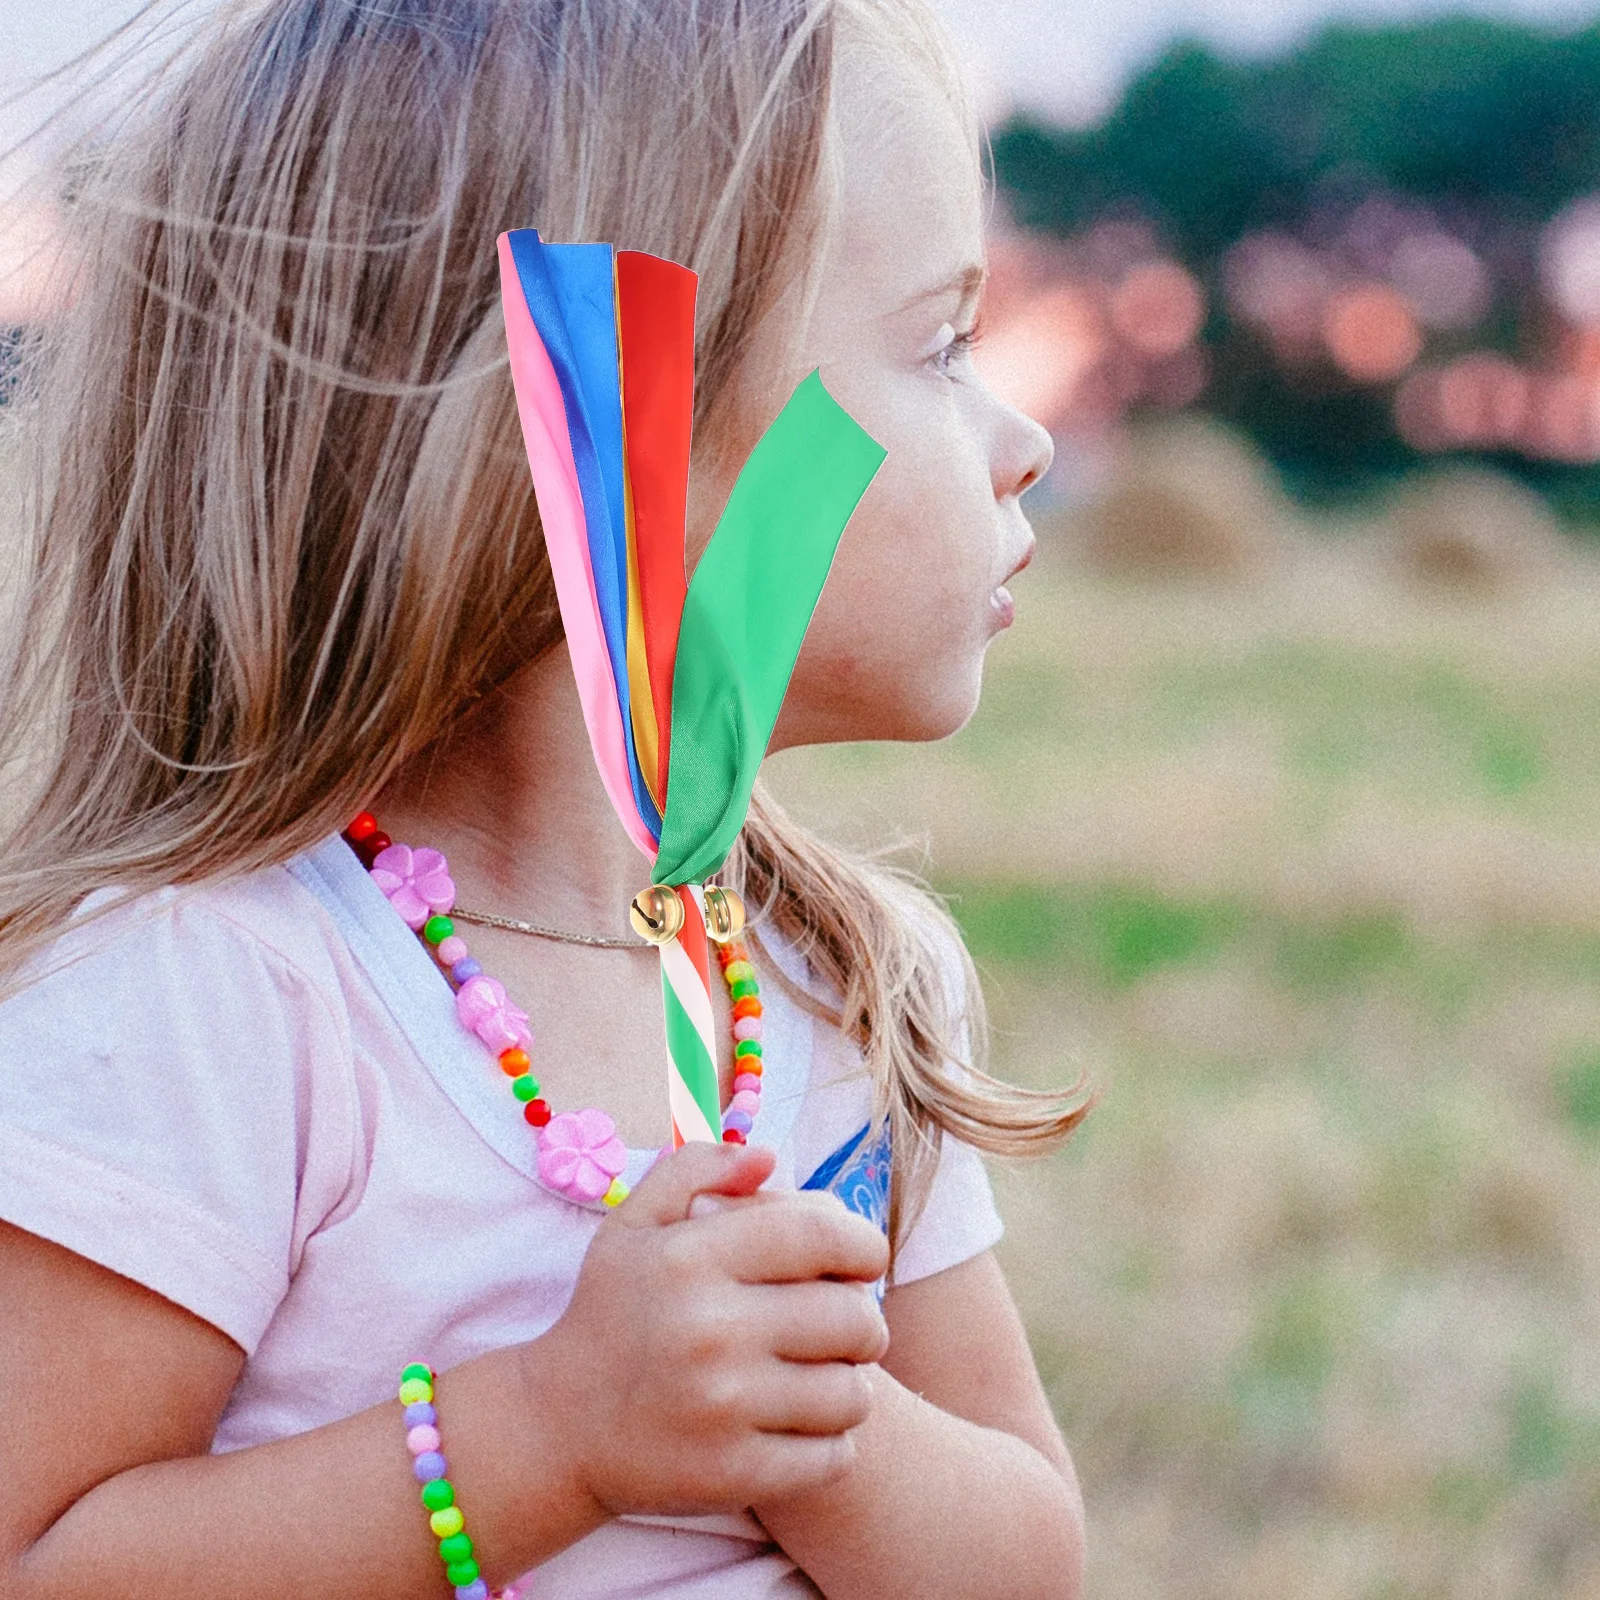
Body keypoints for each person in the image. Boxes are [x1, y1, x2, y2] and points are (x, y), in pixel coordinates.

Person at [0, 0, 1089, 1594]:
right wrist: (552, 1433)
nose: (1028, 439)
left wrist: (806, 1416)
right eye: (937, 345)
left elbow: (1027, 1559)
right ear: (608, 439)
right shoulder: (214, 992)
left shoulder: (846, 984)